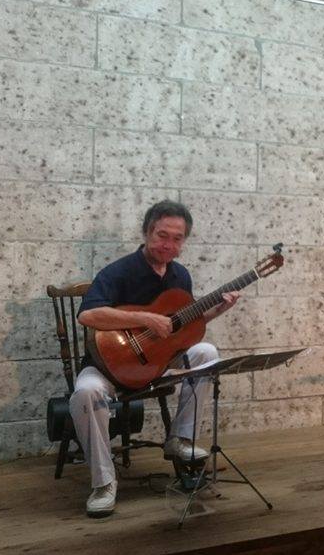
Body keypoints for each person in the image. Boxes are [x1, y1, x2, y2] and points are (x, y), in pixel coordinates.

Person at [70, 200, 242, 517]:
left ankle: (180, 439)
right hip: (109, 367)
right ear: (148, 232)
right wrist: (145, 318)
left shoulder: (180, 276)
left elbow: (183, 330)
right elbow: (88, 316)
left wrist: (219, 309)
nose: (168, 245)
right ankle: (103, 483)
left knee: (206, 352)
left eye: (177, 239)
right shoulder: (118, 272)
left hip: (156, 365)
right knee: (84, 393)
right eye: (163, 235)